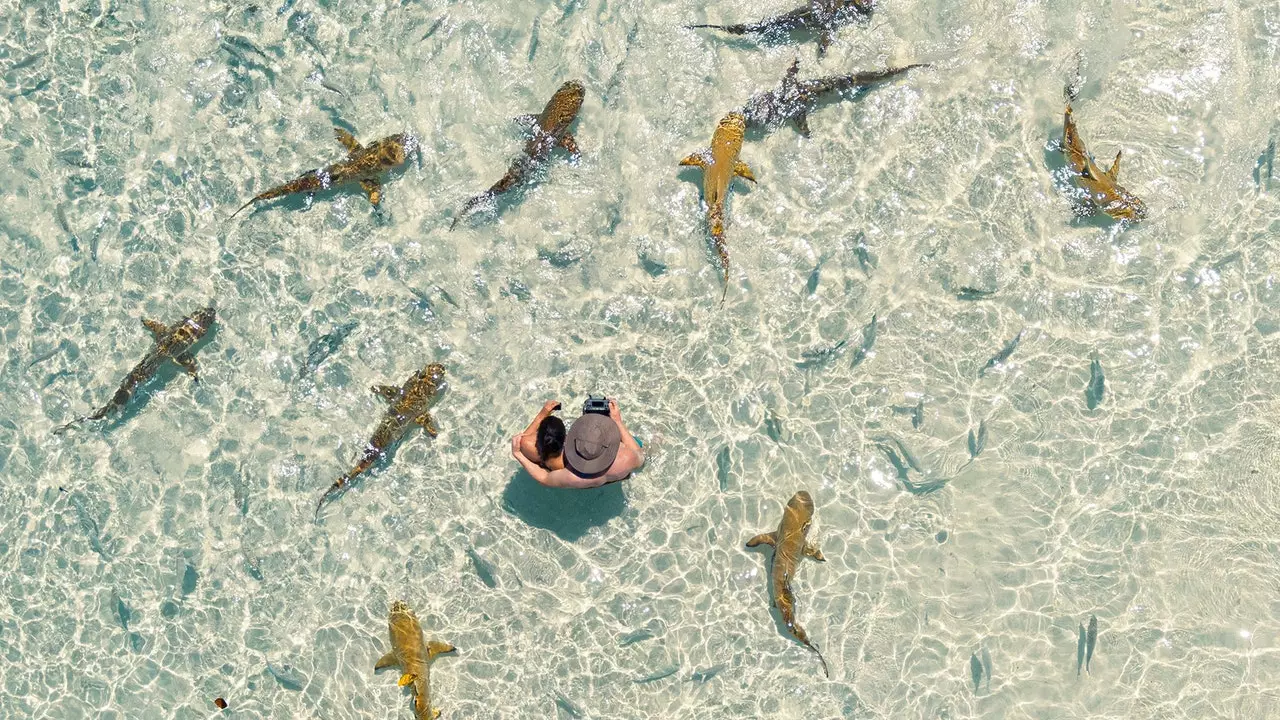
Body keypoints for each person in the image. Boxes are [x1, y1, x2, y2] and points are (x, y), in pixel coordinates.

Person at [511, 397, 644, 488]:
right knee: (641, 444)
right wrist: (617, 421)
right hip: (616, 473)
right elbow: (639, 455)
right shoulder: (626, 458)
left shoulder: (572, 477)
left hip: (571, 475)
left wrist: (518, 454)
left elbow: (544, 478)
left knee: (527, 445)